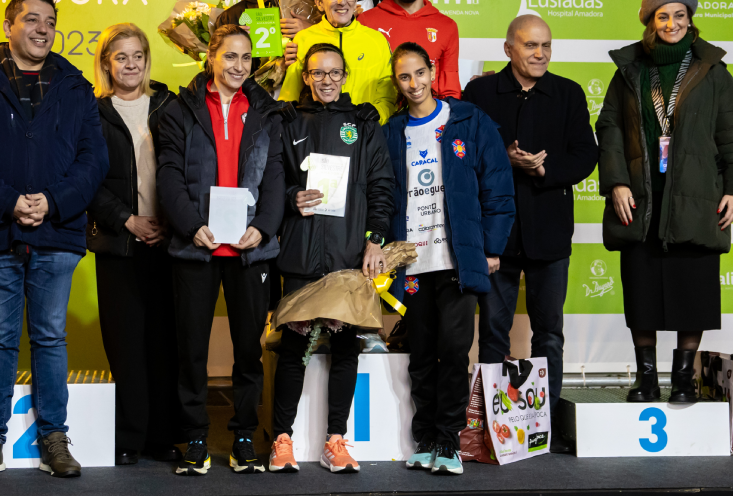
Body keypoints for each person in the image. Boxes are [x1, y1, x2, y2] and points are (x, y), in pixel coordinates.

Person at [0, 0, 109, 479]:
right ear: (8, 24)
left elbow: (93, 158)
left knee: (51, 337)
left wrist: (51, 202)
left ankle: (54, 437)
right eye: (31, 19)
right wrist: (8, 202)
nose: (42, 28)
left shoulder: (74, 86)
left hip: (56, 232)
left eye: (50, 21)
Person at [596, 0, 733, 404]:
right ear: (650, 22)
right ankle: (646, 378)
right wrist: (616, 182)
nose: (672, 24)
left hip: (698, 195)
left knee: (693, 289)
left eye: (680, 15)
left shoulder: (713, 71)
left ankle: (684, 378)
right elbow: (609, 129)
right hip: (643, 198)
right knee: (642, 288)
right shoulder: (629, 71)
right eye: (663, 16)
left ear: (690, 19)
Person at [464, 16, 598, 453]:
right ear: (508, 50)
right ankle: (488, 423)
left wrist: (543, 168)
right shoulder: (481, 93)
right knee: (493, 334)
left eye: (546, 46)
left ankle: (548, 424)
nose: (540, 53)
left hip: (550, 231)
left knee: (549, 333)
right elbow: (460, 151)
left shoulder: (568, 92)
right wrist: (503, 158)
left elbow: (585, 156)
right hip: (496, 236)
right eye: (530, 46)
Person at [157, 25, 285, 476]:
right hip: (197, 248)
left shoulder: (268, 111)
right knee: (190, 350)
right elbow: (168, 175)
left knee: (248, 350)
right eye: (230, 56)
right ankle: (195, 437)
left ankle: (245, 435)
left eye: (246, 58)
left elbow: (275, 177)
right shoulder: (179, 110)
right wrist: (192, 226)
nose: (238, 66)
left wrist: (264, 228)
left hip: (251, 252)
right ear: (211, 56)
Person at [383, 43, 514, 476]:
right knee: (420, 352)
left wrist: (491, 248)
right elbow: (382, 196)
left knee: (454, 351)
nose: (415, 83)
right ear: (397, 82)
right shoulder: (392, 130)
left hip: (456, 261)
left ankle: (449, 440)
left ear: (432, 70)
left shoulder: (468, 120)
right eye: (405, 77)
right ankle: (424, 439)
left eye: (420, 73)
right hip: (412, 264)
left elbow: (497, 185)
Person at [268, 43, 394, 475]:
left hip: (348, 257)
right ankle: (281, 439)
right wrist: (290, 197)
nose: (326, 80)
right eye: (318, 73)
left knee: (346, 350)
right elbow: (270, 181)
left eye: (334, 73)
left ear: (344, 77)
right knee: (293, 348)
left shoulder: (362, 124)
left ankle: (335, 440)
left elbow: (381, 185)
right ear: (305, 76)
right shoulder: (287, 121)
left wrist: (375, 240)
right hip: (301, 256)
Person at [86, 23, 181, 466]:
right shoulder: (92, 111)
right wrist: (126, 220)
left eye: (137, 56)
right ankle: (128, 436)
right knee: (126, 345)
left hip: (169, 243)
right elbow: (84, 179)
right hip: (118, 244)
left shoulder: (170, 105)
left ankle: (162, 436)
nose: (130, 64)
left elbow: (188, 170)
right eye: (120, 57)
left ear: (147, 59)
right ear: (107, 62)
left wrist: (171, 220)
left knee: (165, 342)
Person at [279, 0, 395, 124]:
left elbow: (388, 99)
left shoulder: (377, 41)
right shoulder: (303, 39)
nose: (342, 1)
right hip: (316, 139)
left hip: (362, 139)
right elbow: (289, 98)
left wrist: (377, 114)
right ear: (319, 2)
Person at [358, 0, 460, 99]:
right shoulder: (366, 21)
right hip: (379, 119)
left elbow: (450, 91)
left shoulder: (447, 26)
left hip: (428, 120)